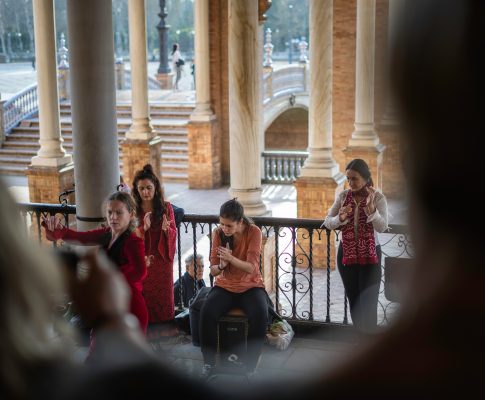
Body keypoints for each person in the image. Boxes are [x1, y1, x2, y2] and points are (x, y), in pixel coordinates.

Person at [42, 191, 149, 336]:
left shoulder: (133, 241)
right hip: (109, 306)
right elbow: (79, 237)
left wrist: (106, 278)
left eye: (119, 212)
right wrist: (57, 231)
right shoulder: (106, 233)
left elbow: (140, 271)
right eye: (110, 212)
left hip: (130, 307)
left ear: (131, 214)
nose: (113, 217)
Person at [199, 199, 268, 379]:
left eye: (229, 225)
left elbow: (251, 267)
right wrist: (221, 266)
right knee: (207, 312)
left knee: (260, 314)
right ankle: (209, 363)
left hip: (251, 286)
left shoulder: (254, 232)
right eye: (221, 223)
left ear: (240, 222)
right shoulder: (218, 233)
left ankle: (250, 367)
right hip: (225, 286)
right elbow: (213, 270)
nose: (224, 228)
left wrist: (230, 259)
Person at [322, 159, 388, 333]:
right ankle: (359, 339)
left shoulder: (378, 197)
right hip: (347, 255)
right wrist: (341, 219)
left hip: (371, 255)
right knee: (354, 300)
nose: (350, 183)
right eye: (348, 178)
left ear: (366, 179)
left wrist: (372, 210)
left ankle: (369, 344)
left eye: (355, 179)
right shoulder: (343, 197)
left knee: (369, 302)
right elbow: (328, 222)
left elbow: (382, 227)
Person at [132, 164, 177, 323]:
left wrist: (166, 230)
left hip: (161, 261)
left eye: (149, 188)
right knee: (141, 298)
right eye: (141, 188)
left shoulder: (166, 208)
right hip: (141, 260)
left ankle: (164, 332)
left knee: (162, 298)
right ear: (136, 189)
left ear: (155, 188)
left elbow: (173, 233)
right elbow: (129, 236)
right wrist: (143, 228)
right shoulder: (133, 210)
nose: (145, 192)